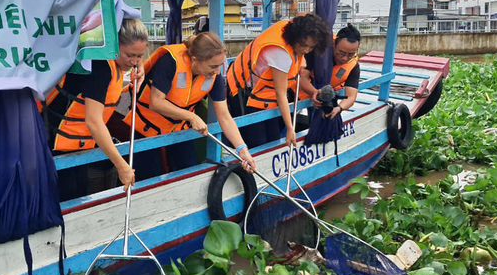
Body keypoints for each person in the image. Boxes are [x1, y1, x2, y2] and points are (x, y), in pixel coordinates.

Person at [42, 18, 148, 200]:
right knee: (66, 199)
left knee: (81, 194)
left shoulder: (114, 62)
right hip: (55, 145)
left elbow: (133, 58)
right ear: (114, 45)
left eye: (139, 56)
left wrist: (141, 65)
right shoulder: (100, 69)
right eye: (130, 55)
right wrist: (121, 165)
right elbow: (93, 121)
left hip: (78, 145)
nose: (134, 61)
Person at [125, 32, 257, 178]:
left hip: (179, 130)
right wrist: (191, 117)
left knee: (188, 171)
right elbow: (156, 102)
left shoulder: (214, 76)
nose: (217, 71)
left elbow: (224, 116)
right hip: (146, 127)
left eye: (220, 65)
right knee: (147, 176)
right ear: (195, 60)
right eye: (213, 66)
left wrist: (242, 150)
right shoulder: (170, 61)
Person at [226, 14, 331, 148]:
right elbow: (280, 93)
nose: (306, 50)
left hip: (265, 96)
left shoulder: (291, 30)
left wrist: (302, 60)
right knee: (256, 143)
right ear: (295, 37)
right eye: (304, 46)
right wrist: (290, 128)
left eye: (311, 48)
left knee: (273, 137)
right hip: (245, 93)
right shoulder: (280, 53)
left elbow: (295, 67)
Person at [300, 24, 362, 117]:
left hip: (323, 98)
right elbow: (302, 78)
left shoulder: (353, 66)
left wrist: (339, 108)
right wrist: (315, 93)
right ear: (334, 45)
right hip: (296, 91)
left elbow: (351, 96)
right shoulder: (317, 51)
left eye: (350, 55)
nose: (345, 58)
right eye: (341, 53)